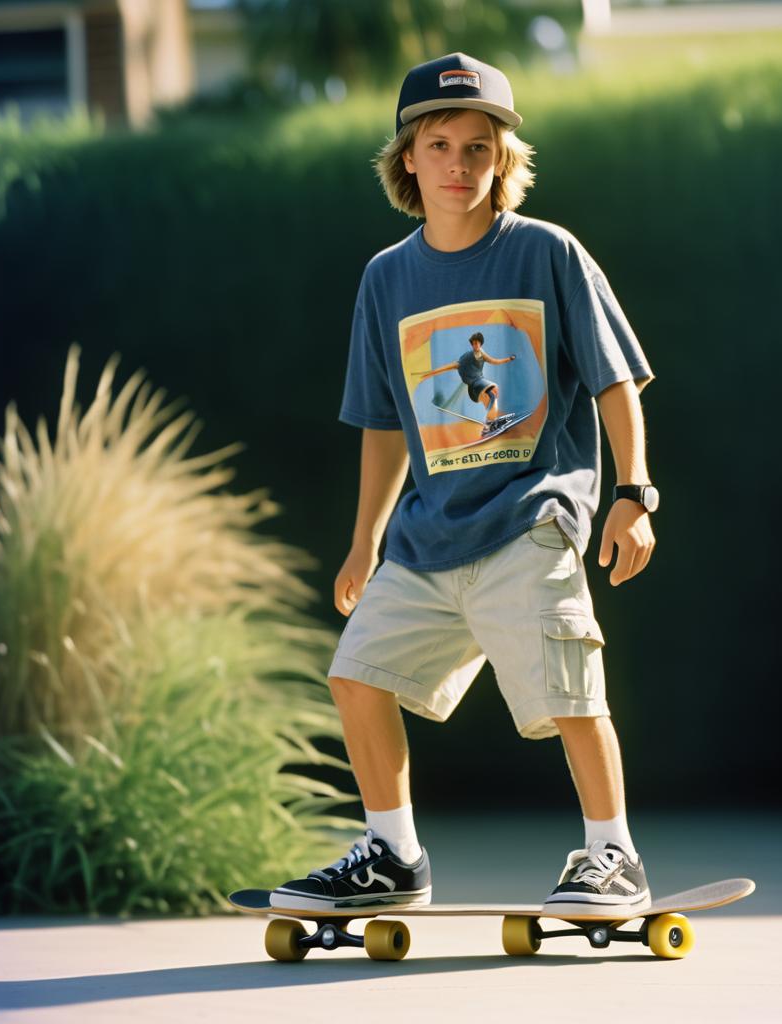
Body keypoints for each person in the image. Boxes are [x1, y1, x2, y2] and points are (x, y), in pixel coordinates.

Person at [271, 52, 660, 917]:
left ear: (503, 160)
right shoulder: (386, 279)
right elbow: (382, 421)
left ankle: (613, 855)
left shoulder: (547, 252)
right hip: (425, 537)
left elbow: (615, 381)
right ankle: (393, 855)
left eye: (477, 148)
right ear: (407, 157)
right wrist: (364, 539)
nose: (458, 165)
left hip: (531, 520)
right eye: (439, 145)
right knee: (357, 675)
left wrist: (633, 494)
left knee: (569, 689)